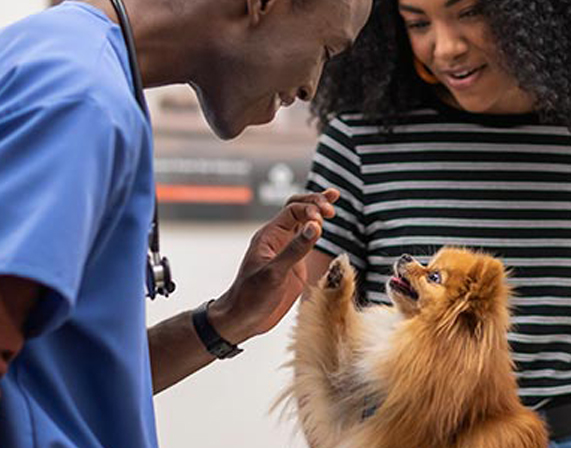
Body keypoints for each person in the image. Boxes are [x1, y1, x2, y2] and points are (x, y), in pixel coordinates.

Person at [303, 0, 571, 446]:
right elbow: (322, 336)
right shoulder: (356, 146)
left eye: (470, 12)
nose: (445, 48)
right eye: (418, 23)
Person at [0, 0, 371, 446]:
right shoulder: (83, 98)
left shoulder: (71, 60)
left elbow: (64, 386)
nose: (312, 87)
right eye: (327, 49)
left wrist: (230, 317)